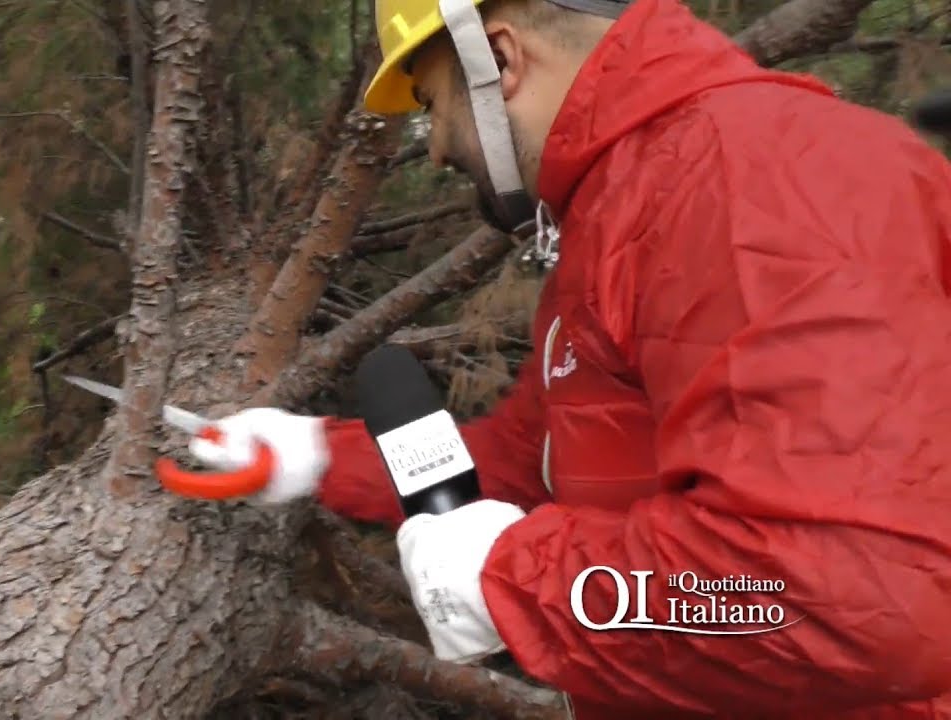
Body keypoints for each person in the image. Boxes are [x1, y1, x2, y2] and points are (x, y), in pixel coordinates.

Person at [188, 0, 951, 716]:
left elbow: (853, 595)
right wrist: (314, 456)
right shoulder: (629, 201)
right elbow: (537, 464)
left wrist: (517, 582)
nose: (438, 148)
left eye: (431, 106)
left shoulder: (755, 175)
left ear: (498, 59)